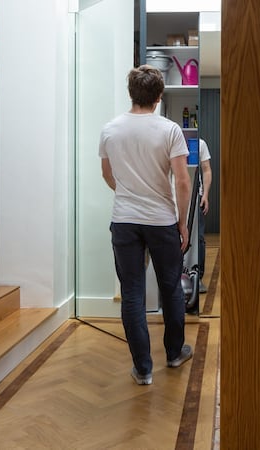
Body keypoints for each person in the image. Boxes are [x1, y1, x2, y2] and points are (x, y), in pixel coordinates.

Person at [99, 65, 193, 386]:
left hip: (124, 221)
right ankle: (173, 352)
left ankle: (143, 369)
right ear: (158, 96)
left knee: (132, 294)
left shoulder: (111, 129)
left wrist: (128, 193)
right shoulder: (169, 130)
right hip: (161, 221)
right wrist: (183, 224)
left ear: (131, 93)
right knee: (171, 289)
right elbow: (182, 182)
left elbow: (107, 174)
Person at [197, 138, 212, 293]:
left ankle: (198, 278)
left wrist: (205, 195)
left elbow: (206, 169)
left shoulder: (200, 143)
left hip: (196, 198)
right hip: (172, 199)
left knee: (199, 238)